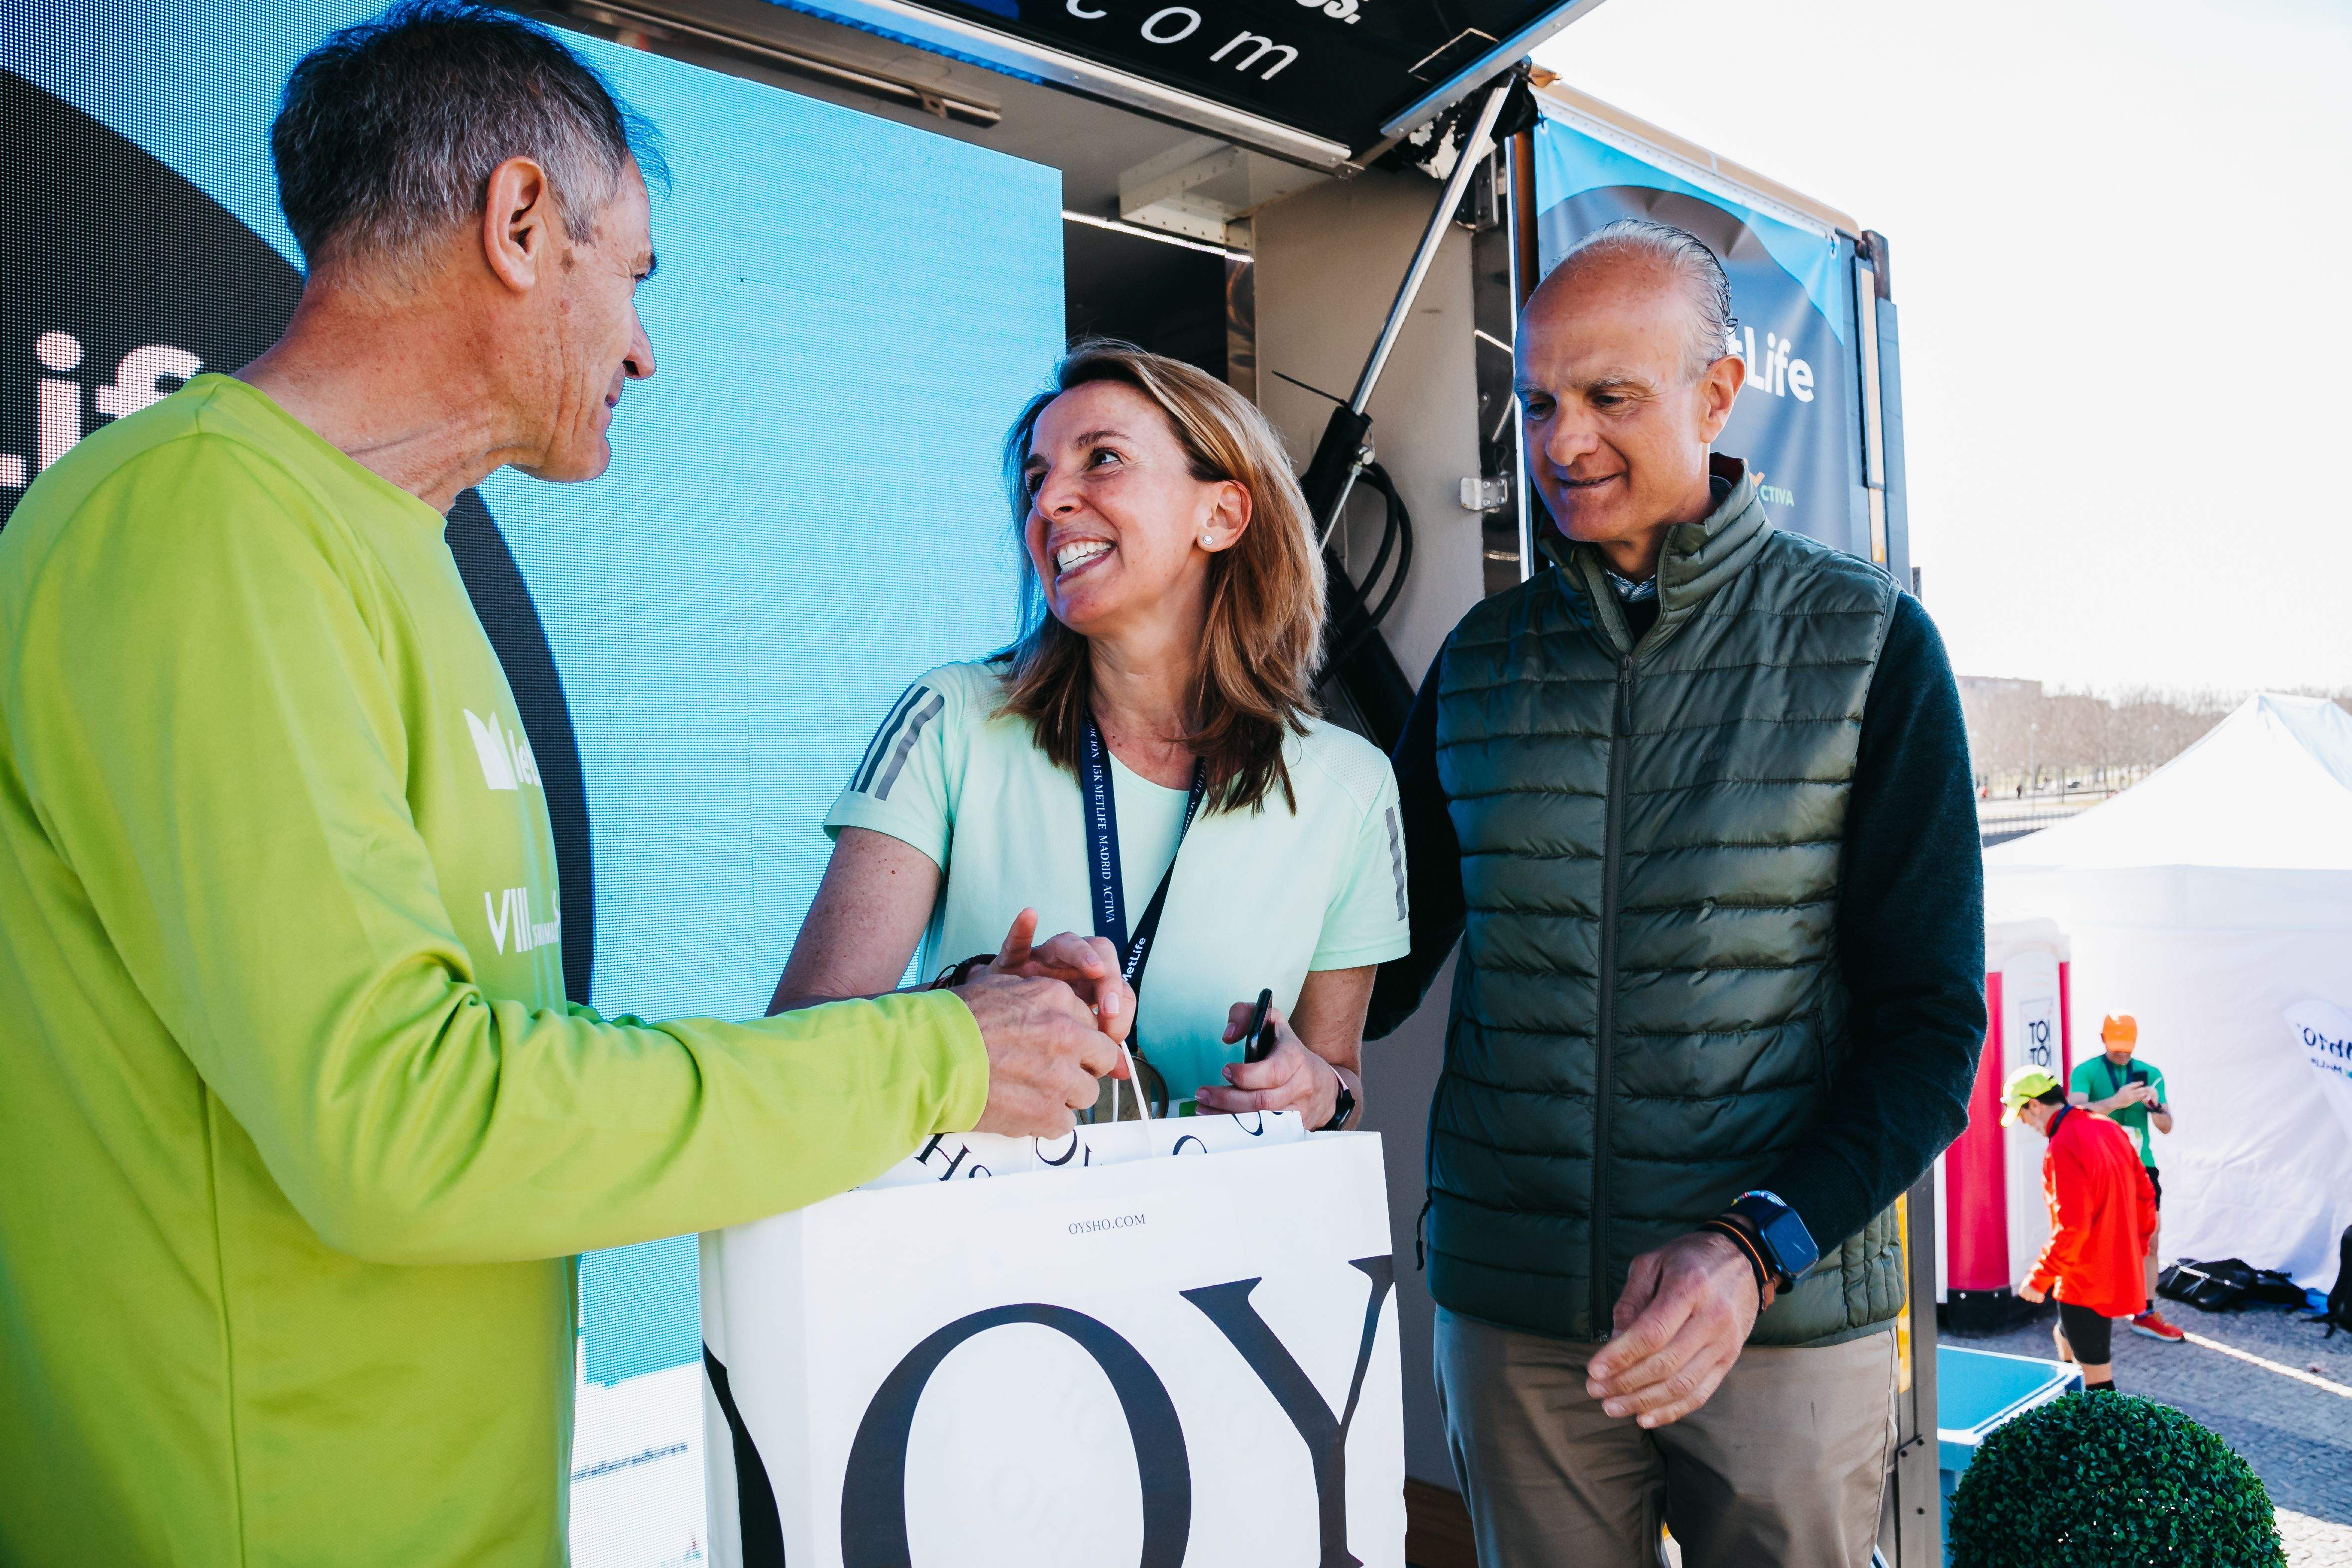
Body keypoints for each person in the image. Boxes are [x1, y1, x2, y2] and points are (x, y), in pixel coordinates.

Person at [0, 7, 1119, 1565]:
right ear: (522, 224)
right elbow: (400, 1124)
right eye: (637, 275)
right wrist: (931, 1057)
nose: (647, 344)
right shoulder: (205, 530)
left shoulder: (382, 544)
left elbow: (498, 1066)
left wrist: (941, 1033)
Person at [1368, 219, 1987, 1568]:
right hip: (1518, 1319)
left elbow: (1931, 1031)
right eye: (1535, 400)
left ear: (1715, 396)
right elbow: (1381, 956)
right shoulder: (1479, 662)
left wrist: (1748, 1247)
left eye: (1607, 397)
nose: (1560, 439)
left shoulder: (1870, 642)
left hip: (1774, 1315)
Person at [773, 341, 1412, 1129]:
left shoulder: (1352, 786)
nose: (1047, 505)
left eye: (1101, 459)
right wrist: (965, 1008)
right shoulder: (950, 720)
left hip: (1221, 1246)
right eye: (1036, 481)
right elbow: (795, 1038)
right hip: (994, 1243)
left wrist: (1314, 1086)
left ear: (1220, 516)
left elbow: (1341, 1081)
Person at [2006, 1066, 2160, 1391]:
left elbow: (2072, 1225)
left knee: (2099, 1384)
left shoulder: (2063, 1143)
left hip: (2083, 1276)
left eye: (2021, 1114)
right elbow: (2145, 1194)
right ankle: (2070, 1407)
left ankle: (2096, 1432)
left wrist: (2039, 1277)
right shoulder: (2106, 1127)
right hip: (2107, 1264)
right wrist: (2138, 1246)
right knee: (2063, 1334)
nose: (2024, 1123)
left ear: (2034, 1105)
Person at [2070, 1012, 2184, 1341]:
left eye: (2126, 1048)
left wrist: (2156, 1109)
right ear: (2102, 1038)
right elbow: (2073, 1114)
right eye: (2116, 1047)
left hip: (2140, 1166)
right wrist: (2114, 1102)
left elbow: (2166, 1127)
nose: (2121, 1055)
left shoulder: (2150, 1073)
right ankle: (2091, 1306)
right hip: (2100, 1165)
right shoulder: (2087, 1071)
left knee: (2150, 1239)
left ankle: (2145, 1312)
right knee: (2097, 1239)